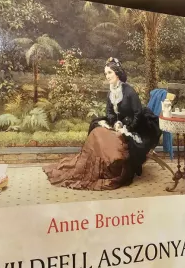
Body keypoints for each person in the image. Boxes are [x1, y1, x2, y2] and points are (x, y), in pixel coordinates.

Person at [43, 57, 162, 190]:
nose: (107, 76)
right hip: (118, 124)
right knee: (96, 132)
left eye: (110, 72)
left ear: (117, 73)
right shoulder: (111, 91)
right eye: (106, 73)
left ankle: (111, 170)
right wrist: (115, 122)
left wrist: (126, 128)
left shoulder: (129, 91)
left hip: (135, 126)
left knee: (108, 138)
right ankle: (93, 168)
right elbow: (109, 112)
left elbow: (138, 114)